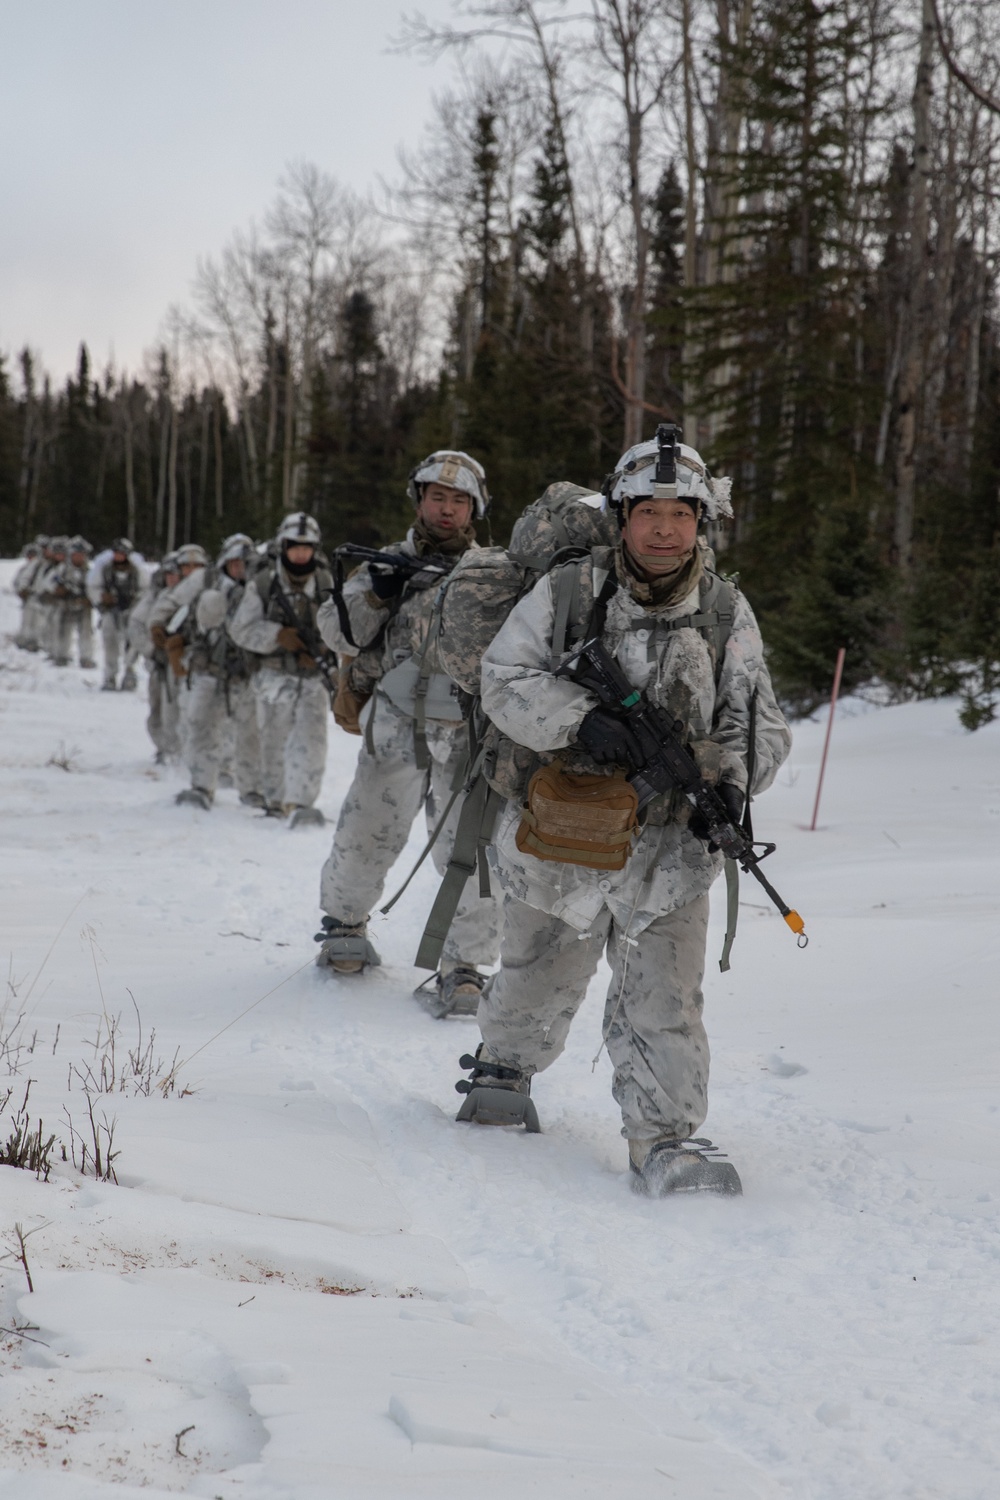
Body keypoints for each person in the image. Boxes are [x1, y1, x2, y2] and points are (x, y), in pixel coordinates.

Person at [460, 429, 792, 1196]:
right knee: (539, 974)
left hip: (672, 848)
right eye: (650, 512)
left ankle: (665, 1139)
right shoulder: (569, 592)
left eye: (683, 514)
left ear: (702, 521)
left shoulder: (725, 609)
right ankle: (503, 1069)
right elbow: (503, 678)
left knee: (666, 999)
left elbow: (758, 720)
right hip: (562, 834)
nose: (666, 529)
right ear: (623, 515)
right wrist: (582, 720)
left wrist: (736, 783)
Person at [313, 450, 501, 1017]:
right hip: (394, 717)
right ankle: (344, 921)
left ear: (475, 509)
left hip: (467, 726)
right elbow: (334, 631)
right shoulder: (382, 564)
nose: (447, 509)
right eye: (437, 497)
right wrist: (378, 592)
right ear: (419, 499)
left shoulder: (494, 571)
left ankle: (464, 964)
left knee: (470, 847)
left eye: (460, 500)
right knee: (370, 825)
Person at [229, 512, 332, 827]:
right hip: (273, 674)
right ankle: (276, 800)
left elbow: (342, 626)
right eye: (295, 546)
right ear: (284, 546)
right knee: (274, 738)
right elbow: (241, 629)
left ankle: (302, 804)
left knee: (312, 740)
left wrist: (324, 648)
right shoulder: (263, 583)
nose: (301, 553)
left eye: (307, 547)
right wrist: (277, 636)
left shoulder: (326, 582)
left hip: (313, 675)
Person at [174, 534, 263, 810]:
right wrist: (164, 635)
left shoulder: (261, 588)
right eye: (235, 563)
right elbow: (171, 605)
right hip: (209, 669)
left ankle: (253, 789)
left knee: (251, 735)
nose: (240, 568)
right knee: (202, 728)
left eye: (245, 563)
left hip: (246, 673)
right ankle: (201, 785)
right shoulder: (205, 582)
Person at [130, 553, 183, 763]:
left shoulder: (192, 596)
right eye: (169, 574)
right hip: (160, 661)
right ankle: (164, 747)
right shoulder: (154, 597)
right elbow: (136, 625)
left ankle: (180, 749)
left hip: (184, 661)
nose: (172, 578)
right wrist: (151, 650)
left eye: (176, 574)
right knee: (158, 707)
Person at [91, 537, 145, 691]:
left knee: (131, 645)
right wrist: (102, 597)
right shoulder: (105, 569)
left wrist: (137, 604)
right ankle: (110, 676)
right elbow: (94, 587)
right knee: (110, 645)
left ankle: (129, 674)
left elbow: (145, 590)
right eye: (117, 552)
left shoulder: (137, 570)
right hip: (110, 611)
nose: (119, 556)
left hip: (131, 612)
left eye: (122, 553)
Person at [45, 536, 97, 668]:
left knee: (86, 632)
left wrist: (91, 598)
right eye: (75, 555)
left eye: (81, 555)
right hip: (65, 605)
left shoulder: (90, 572)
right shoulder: (62, 569)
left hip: (84, 606)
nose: (78, 557)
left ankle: (86, 657)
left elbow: (96, 587)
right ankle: (62, 655)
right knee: (63, 631)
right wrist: (57, 590)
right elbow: (48, 582)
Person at [13, 539, 45, 650]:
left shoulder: (40, 567)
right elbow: (17, 582)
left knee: (37, 621)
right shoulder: (24, 569)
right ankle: (24, 640)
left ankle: (34, 642)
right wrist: (21, 591)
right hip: (28, 599)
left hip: (38, 598)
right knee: (26, 621)